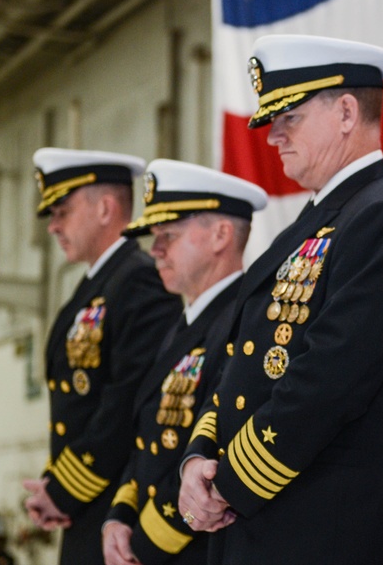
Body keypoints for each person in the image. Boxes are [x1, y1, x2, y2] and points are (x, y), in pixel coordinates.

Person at [177, 35, 383, 564]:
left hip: (324, 531)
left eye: (289, 116)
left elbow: (328, 381)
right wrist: (197, 458)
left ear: (346, 112)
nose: (273, 135)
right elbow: (237, 362)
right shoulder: (310, 225)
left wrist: (226, 484)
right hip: (259, 522)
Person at [102, 160, 267, 565]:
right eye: (154, 237)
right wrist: (119, 516)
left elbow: (220, 451)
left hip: (198, 547)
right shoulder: (183, 326)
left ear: (221, 235)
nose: (154, 249)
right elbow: (146, 440)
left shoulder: (247, 320)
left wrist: (143, 546)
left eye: (168, 236)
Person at [23, 148, 179, 564]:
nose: (53, 226)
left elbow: (128, 400)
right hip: (87, 504)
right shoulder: (99, 285)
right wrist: (57, 489)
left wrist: (64, 491)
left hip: (117, 508)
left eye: (62, 211)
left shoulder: (138, 280)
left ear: (107, 208)